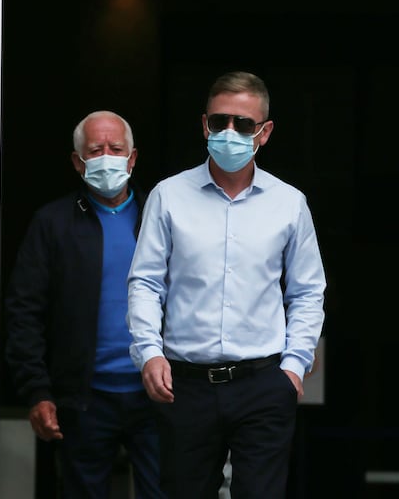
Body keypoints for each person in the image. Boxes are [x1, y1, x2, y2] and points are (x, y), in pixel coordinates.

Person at [126, 71, 327, 498]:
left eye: (243, 124)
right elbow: (145, 282)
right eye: (220, 122)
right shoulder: (168, 195)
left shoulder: (289, 204)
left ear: (265, 132)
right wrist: (149, 353)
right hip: (185, 384)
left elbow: (308, 291)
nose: (230, 132)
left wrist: (293, 366)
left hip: (263, 382)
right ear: (204, 125)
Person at [4, 110, 165, 498]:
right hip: (84, 398)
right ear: (78, 162)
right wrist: (38, 391)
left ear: (133, 158)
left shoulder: (161, 217)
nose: (107, 156)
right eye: (96, 150)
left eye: (116, 148)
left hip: (159, 395)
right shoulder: (53, 223)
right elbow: (24, 311)